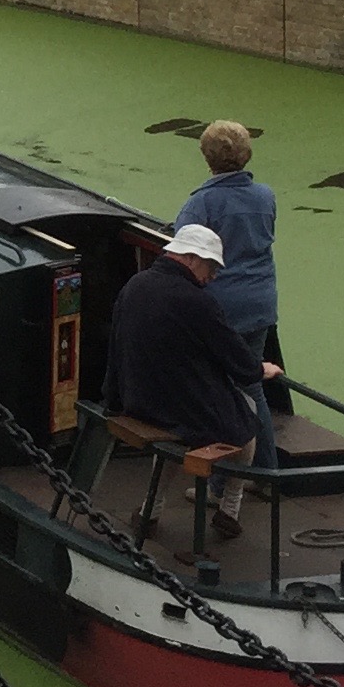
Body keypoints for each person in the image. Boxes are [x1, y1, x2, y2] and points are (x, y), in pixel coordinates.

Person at [102, 223, 281, 545]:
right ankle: (230, 507)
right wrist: (260, 369)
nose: (212, 277)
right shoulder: (196, 301)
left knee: (177, 432)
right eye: (211, 267)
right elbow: (235, 357)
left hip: (135, 398)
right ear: (191, 258)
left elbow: (116, 345)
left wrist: (113, 398)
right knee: (247, 414)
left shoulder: (135, 284)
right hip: (171, 406)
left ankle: (150, 511)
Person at [173, 119, 280, 472]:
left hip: (219, 307)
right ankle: (266, 471)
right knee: (252, 387)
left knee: (216, 391)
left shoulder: (200, 204)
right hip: (260, 302)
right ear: (247, 155)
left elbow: (185, 253)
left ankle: (221, 479)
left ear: (207, 157)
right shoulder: (265, 197)